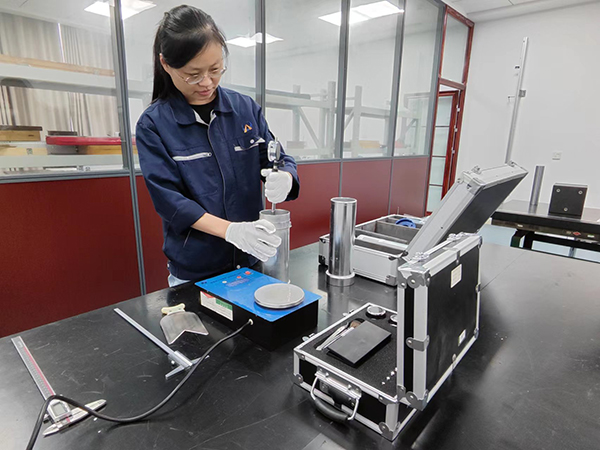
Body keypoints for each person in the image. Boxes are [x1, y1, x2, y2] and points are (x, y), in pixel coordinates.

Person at [136, 5, 299, 287]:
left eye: (215, 69)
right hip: (197, 271)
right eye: (193, 74)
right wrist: (231, 231)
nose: (207, 82)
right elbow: (170, 201)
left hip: (251, 261)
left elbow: (276, 158)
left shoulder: (244, 109)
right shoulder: (154, 125)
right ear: (166, 65)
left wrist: (286, 176)